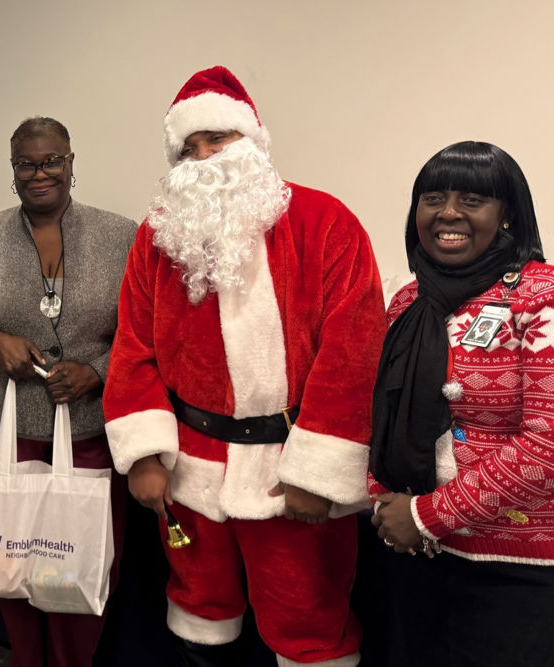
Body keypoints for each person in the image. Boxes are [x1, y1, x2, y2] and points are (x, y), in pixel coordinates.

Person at [102, 66, 387, 666]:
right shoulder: (159, 237)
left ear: (252, 141)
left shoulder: (325, 223)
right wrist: (146, 454)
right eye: (190, 147)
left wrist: (318, 473)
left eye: (218, 140)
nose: (204, 158)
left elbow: (353, 353)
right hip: (190, 468)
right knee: (201, 612)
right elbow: (134, 347)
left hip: (291, 472)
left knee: (309, 623)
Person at [0, 116, 137, 667]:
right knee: (11, 556)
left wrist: (100, 370)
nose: (40, 173)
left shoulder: (123, 237)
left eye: (52, 161)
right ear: (12, 170)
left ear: (71, 162)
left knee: (80, 557)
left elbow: (151, 329)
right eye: (26, 164)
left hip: (88, 427)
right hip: (0, 427)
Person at [370, 141, 552, 666]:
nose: (448, 213)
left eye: (472, 200)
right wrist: (387, 506)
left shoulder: (541, 297)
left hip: (518, 567)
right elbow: (383, 412)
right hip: (417, 554)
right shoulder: (407, 300)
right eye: (433, 198)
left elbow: (548, 441)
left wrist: (427, 515)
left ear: (508, 214)